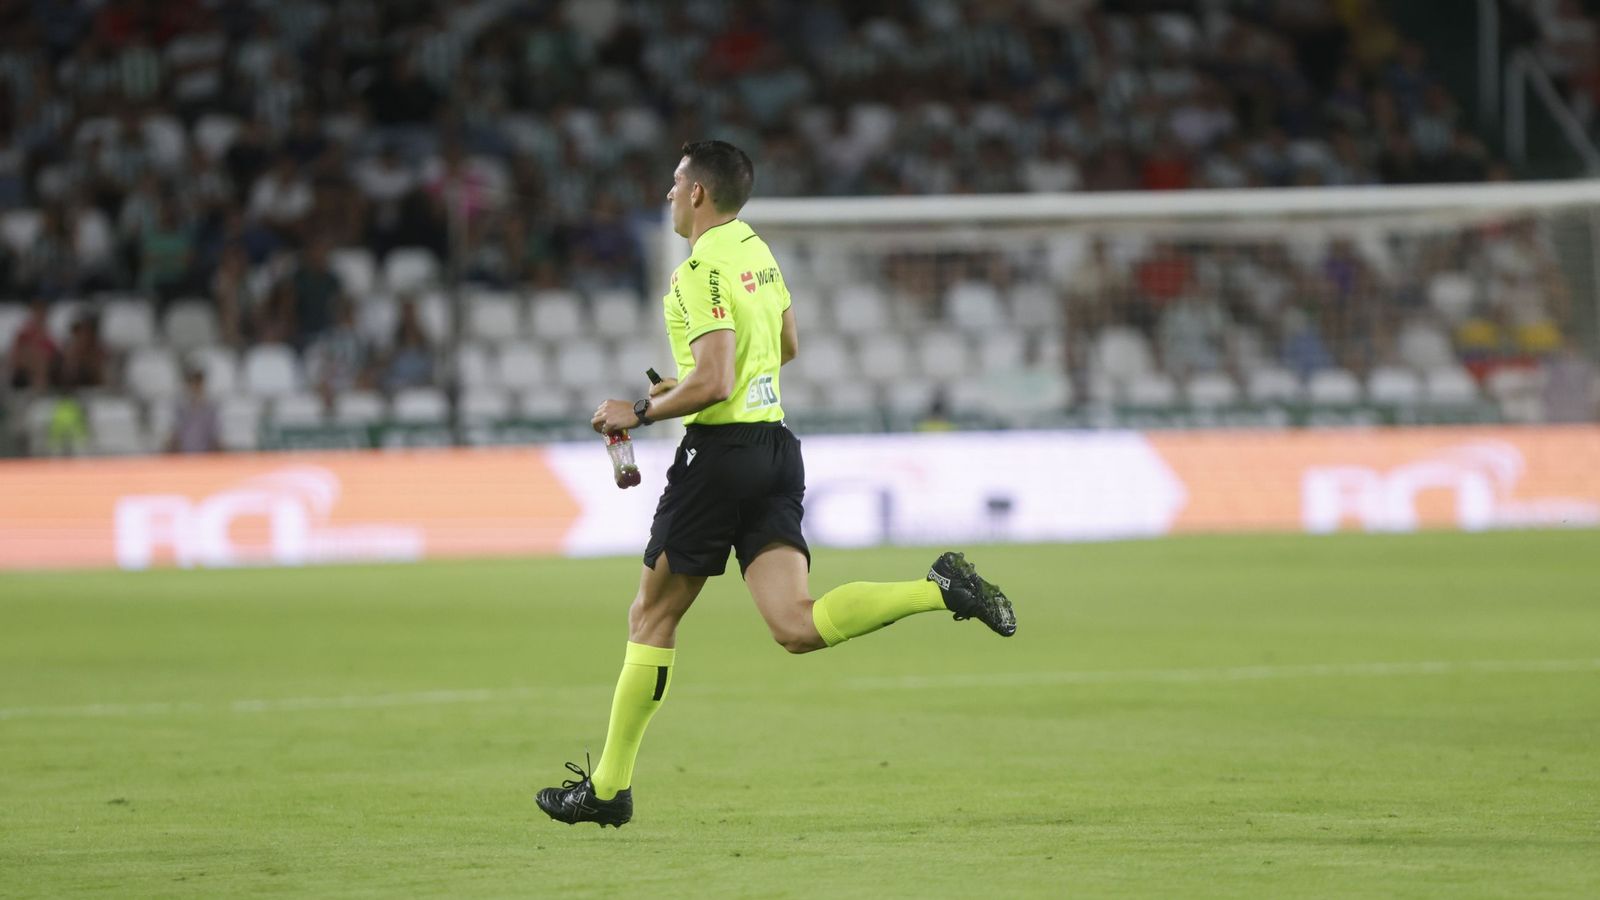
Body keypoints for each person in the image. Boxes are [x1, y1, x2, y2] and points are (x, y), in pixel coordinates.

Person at [536, 141, 1017, 830]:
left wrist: (636, 410)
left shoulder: (696, 269)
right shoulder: (758, 252)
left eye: (676, 183)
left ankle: (609, 789)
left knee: (652, 617)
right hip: (775, 448)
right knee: (795, 626)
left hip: (721, 456)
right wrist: (688, 387)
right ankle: (936, 587)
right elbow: (784, 348)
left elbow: (717, 381)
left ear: (699, 193)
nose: (669, 193)